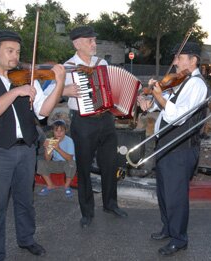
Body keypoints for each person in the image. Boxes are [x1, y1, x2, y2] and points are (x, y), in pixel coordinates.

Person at [0, 30, 66, 260]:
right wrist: (17, 92)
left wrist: (59, 83)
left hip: (26, 150)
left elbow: (43, 111)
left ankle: (26, 239)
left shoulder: (26, 77)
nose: (15, 56)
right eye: (9, 51)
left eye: (18, 52)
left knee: (25, 201)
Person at [137, 42, 208, 256]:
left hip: (181, 147)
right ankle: (168, 228)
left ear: (193, 60)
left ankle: (179, 238)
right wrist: (149, 101)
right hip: (167, 145)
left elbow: (179, 116)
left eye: (179, 57)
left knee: (176, 195)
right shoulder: (181, 81)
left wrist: (158, 96)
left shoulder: (197, 85)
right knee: (164, 192)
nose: (175, 62)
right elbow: (165, 103)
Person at [61, 26, 128, 227]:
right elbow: (52, 93)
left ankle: (110, 203)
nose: (94, 44)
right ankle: (87, 212)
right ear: (76, 43)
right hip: (83, 122)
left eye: (94, 40)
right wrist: (66, 90)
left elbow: (111, 88)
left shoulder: (102, 63)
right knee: (83, 167)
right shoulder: (67, 67)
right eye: (89, 40)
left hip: (106, 119)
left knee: (110, 164)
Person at [37, 120, 76, 198]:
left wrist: (58, 149)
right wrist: (47, 149)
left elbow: (69, 158)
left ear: (65, 131)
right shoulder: (51, 140)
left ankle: (66, 186)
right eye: (56, 131)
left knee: (72, 163)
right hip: (56, 164)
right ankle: (50, 185)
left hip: (66, 163)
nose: (59, 133)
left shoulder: (69, 140)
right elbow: (47, 159)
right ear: (53, 131)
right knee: (41, 163)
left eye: (61, 131)